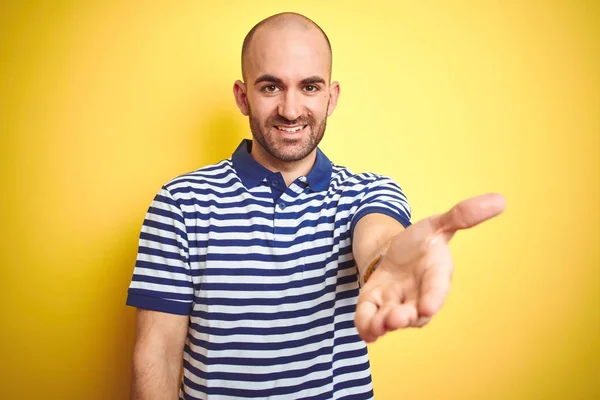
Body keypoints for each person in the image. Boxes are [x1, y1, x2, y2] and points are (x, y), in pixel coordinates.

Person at [126, 12, 505, 400]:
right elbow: (157, 353)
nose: (291, 110)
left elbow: (378, 238)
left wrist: (386, 263)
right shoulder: (180, 202)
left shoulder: (367, 193)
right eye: (271, 87)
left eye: (309, 87)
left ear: (332, 96)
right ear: (242, 97)